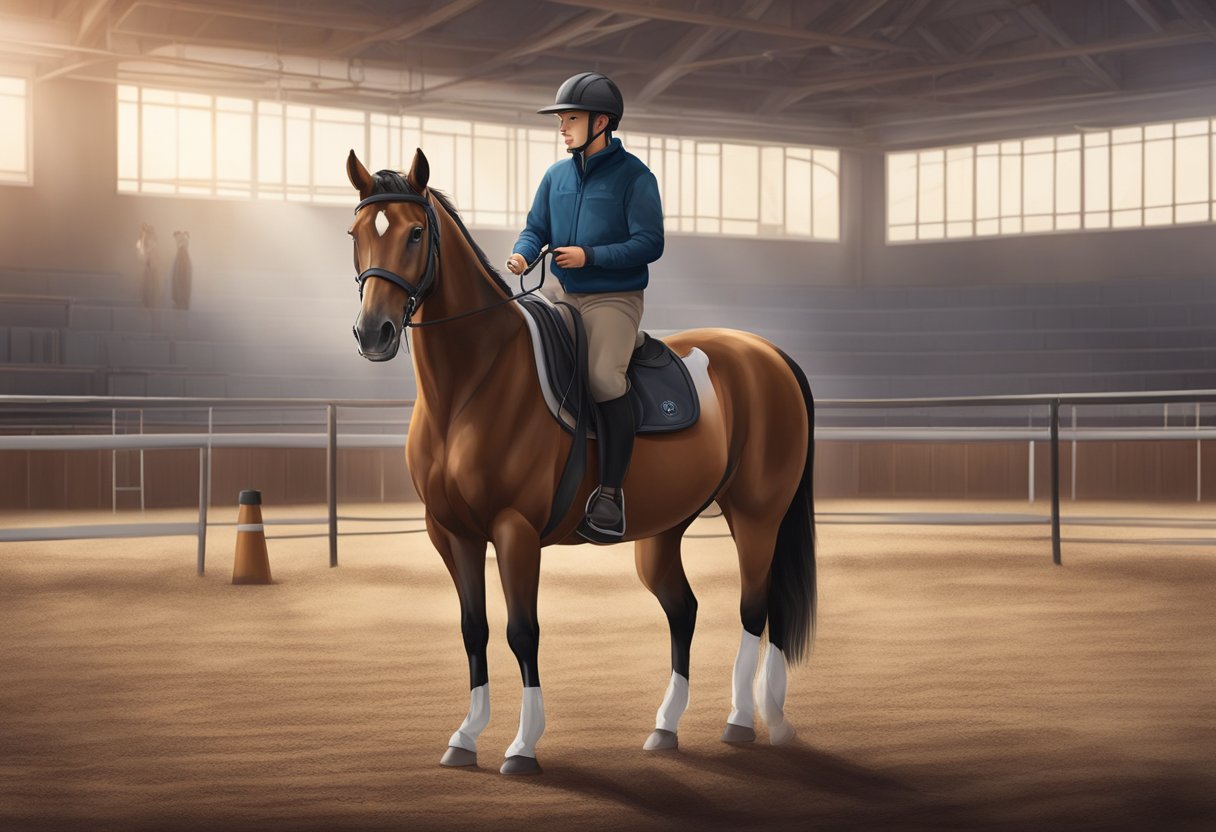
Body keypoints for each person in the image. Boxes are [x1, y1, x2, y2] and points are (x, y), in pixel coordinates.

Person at [507, 71, 664, 542]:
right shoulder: (555, 176)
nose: (561, 127)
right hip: (560, 292)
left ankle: (611, 494)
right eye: (561, 119)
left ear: (601, 122)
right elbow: (537, 227)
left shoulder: (635, 177)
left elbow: (649, 243)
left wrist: (589, 256)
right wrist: (523, 251)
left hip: (612, 296)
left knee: (601, 378)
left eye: (570, 118)